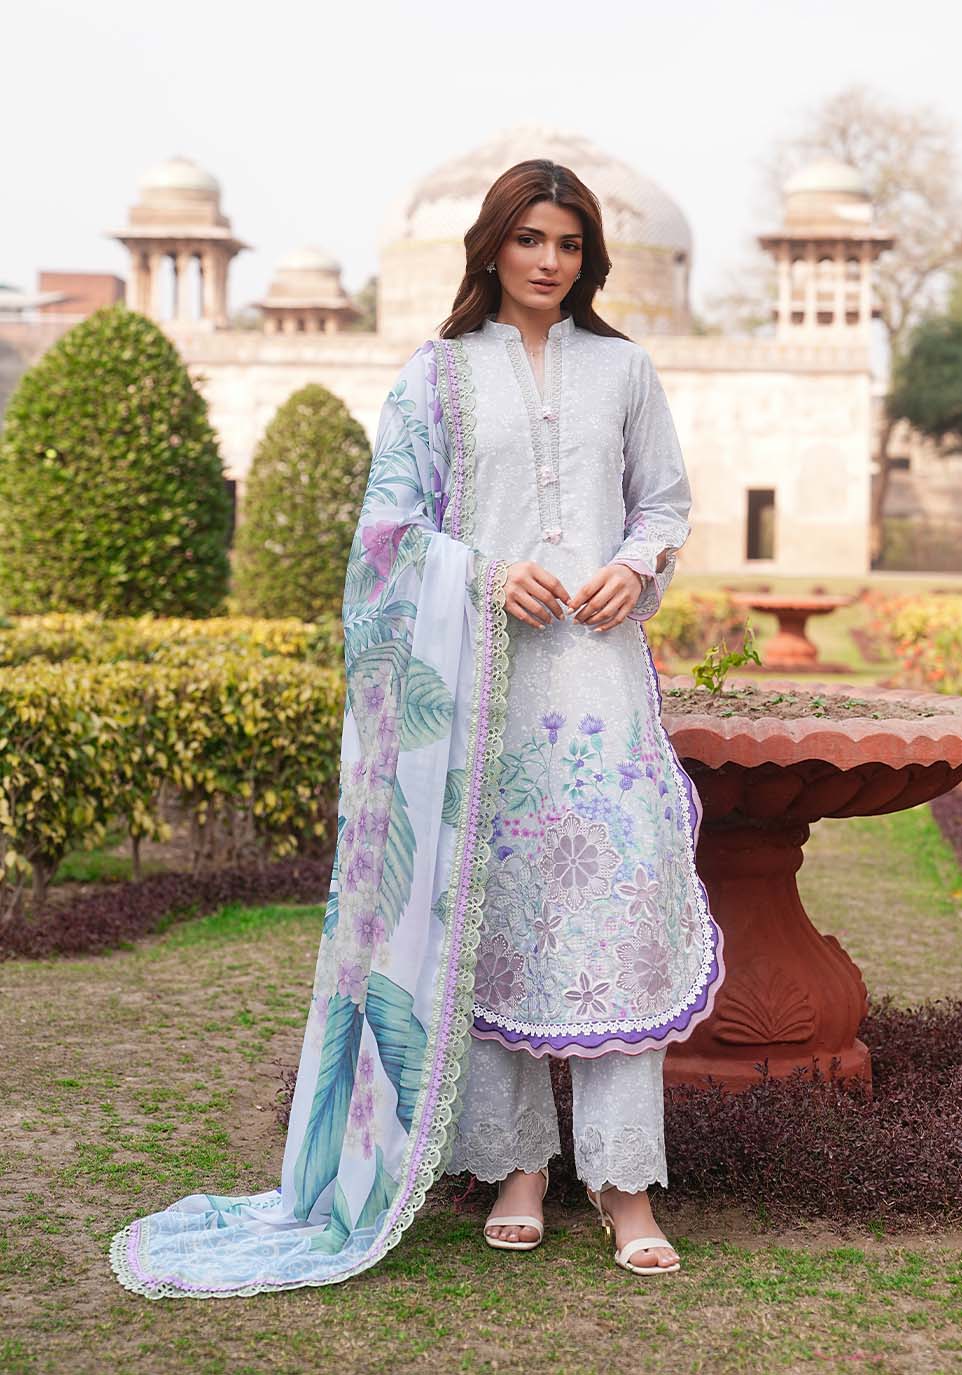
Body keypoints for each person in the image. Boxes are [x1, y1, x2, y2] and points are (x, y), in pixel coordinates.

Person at [108, 158, 724, 1301]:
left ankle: (625, 1183)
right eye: (530, 238)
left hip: (598, 685)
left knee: (612, 919)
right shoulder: (434, 376)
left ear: (587, 258)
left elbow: (663, 502)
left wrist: (634, 564)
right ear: (490, 245)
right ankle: (516, 1168)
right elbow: (387, 532)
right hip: (482, 687)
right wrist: (483, 574)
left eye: (568, 243)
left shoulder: (624, 369)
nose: (548, 261)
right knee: (487, 917)